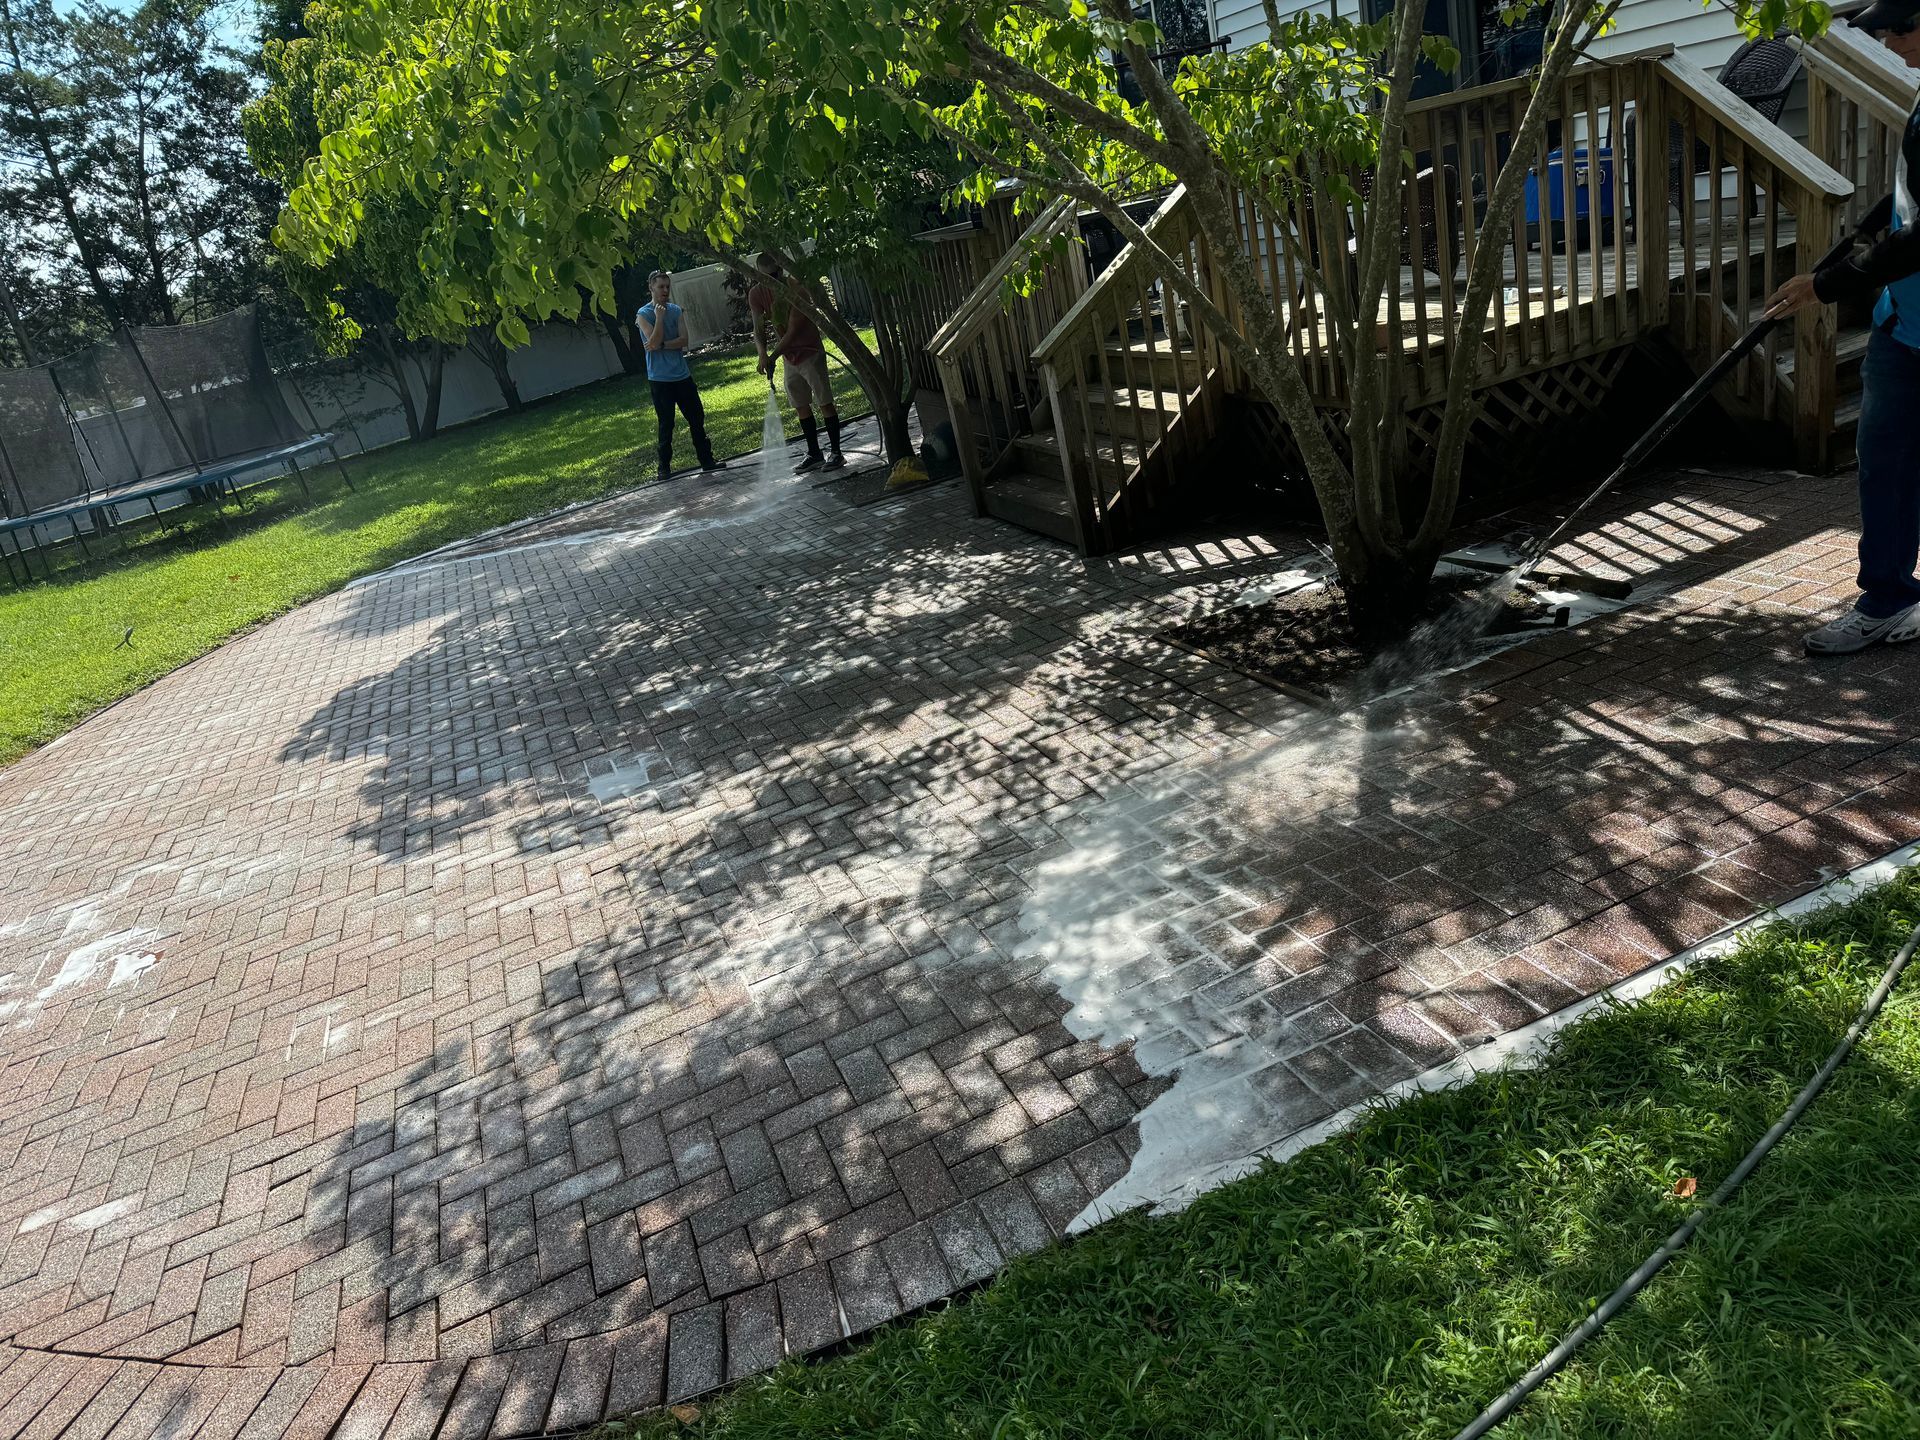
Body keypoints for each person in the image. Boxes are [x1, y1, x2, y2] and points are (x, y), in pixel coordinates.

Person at [1768, 0, 1920, 655]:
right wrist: (1871, 221)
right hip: (1902, 323)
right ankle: (1887, 599)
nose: (1888, 41)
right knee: (1884, 464)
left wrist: (1824, 284)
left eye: (1899, 27)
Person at [749, 254, 844, 473]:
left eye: (774, 275)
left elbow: (792, 332)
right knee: (800, 404)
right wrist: (762, 353)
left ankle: (837, 453)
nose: (771, 280)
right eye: (766, 277)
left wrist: (771, 357)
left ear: (781, 270)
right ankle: (814, 453)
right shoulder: (756, 293)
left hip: (809, 351)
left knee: (824, 401)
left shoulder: (797, 290)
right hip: (789, 358)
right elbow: (758, 328)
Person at [636, 270, 722, 483]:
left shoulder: (676, 310)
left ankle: (707, 460)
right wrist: (659, 318)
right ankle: (663, 468)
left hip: (682, 376)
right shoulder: (643, 314)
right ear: (651, 288)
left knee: (696, 419)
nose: (665, 291)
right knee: (666, 424)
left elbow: (683, 340)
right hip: (660, 379)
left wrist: (663, 345)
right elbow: (651, 341)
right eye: (660, 287)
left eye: (667, 286)